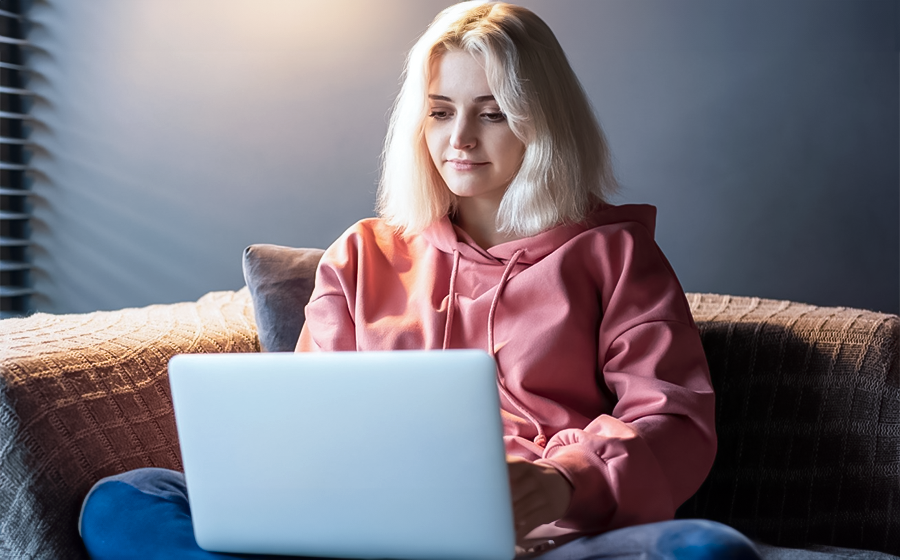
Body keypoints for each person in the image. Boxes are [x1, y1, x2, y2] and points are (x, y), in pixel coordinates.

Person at [79, 2, 761, 558]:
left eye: (492, 112)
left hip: (550, 538)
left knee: (705, 550)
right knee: (124, 501)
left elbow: (672, 420)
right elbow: (311, 421)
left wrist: (560, 482)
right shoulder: (362, 255)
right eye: (440, 110)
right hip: (372, 525)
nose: (460, 138)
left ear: (544, 123)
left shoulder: (614, 256)